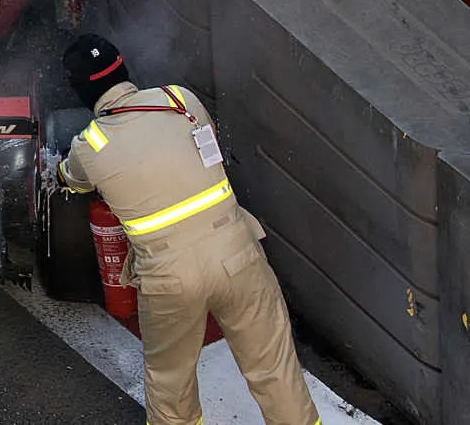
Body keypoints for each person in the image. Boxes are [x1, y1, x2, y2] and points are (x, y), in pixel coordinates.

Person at [57, 34, 321, 425]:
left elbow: (72, 180)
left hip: (169, 278)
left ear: (80, 89)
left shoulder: (89, 146)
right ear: (123, 67)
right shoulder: (181, 99)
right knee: (274, 369)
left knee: (171, 386)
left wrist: (62, 172)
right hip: (237, 252)